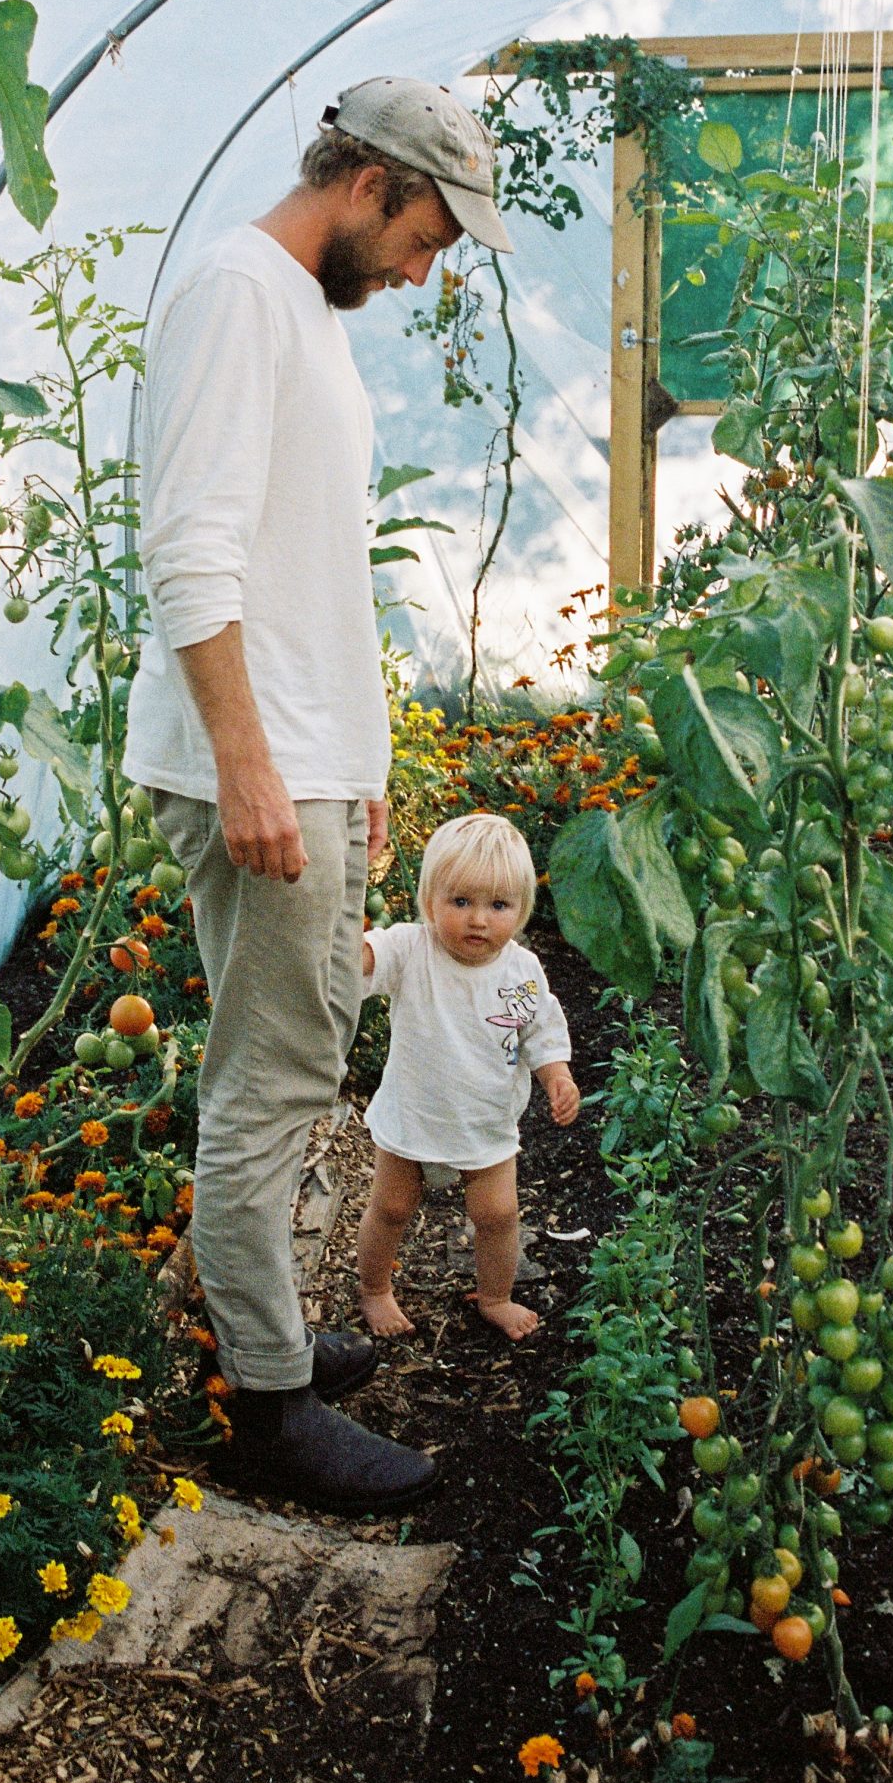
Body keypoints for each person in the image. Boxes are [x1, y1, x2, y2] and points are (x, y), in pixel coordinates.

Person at [126, 77, 513, 1514]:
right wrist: (251, 767)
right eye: (426, 237)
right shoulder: (236, 291)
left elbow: (302, 575)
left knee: (287, 1065)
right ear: (367, 184)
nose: (428, 270)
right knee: (274, 1083)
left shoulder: (297, 306)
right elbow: (193, 555)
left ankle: (260, 1331)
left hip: (303, 762)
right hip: (258, 763)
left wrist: (352, 782)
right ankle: (267, 1410)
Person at [356, 813, 580, 1342]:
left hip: (484, 1121)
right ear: (429, 899)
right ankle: (373, 1288)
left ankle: (496, 1296)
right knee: (390, 1207)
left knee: (499, 1215)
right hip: (414, 1113)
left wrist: (557, 1075)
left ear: (522, 910)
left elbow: (539, 1031)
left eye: (498, 906)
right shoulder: (413, 949)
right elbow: (369, 957)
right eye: (460, 902)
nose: (479, 920)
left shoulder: (521, 972)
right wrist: (352, 941)